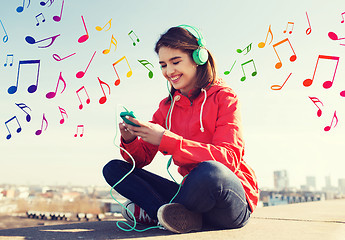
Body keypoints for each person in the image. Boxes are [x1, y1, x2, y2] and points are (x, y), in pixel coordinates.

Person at [103, 25, 259, 234]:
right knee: (114, 169)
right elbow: (139, 161)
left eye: (176, 62)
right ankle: (173, 215)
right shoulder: (166, 108)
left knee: (210, 171)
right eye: (163, 65)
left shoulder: (224, 97)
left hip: (227, 199)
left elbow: (229, 159)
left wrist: (166, 139)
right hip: (191, 198)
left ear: (198, 58)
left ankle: (156, 212)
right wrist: (131, 139)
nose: (169, 71)